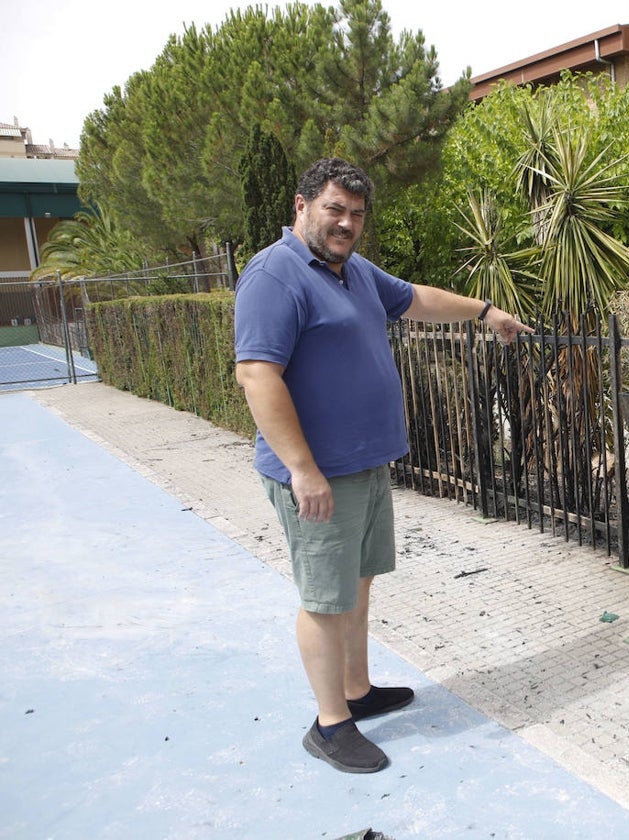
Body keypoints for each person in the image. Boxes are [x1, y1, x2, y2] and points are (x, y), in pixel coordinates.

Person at [234, 158, 531, 773]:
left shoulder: (354, 272)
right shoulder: (275, 275)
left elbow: (416, 299)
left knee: (358, 585)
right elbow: (257, 374)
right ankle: (329, 724)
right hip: (320, 475)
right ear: (301, 206)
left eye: (356, 215)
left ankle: (357, 691)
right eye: (334, 209)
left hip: (365, 466)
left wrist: (483, 312)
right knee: (324, 598)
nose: (345, 223)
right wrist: (302, 469)